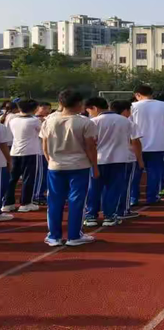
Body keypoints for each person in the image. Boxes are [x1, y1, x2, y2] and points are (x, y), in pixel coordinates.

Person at [40, 90, 99, 246]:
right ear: (80, 104)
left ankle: (54, 236)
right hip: (79, 166)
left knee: (54, 201)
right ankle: (74, 236)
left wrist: (50, 160)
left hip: (55, 166)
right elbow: (90, 147)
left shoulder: (49, 121)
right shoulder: (85, 122)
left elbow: (44, 145)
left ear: (60, 103)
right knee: (77, 201)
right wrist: (95, 166)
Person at [84, 97, 141, 227]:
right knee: (113, 189)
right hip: (119, 159)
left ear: (95, 108)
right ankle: (109, 216)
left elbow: (89, 143)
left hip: (97, 159)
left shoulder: (93, 122)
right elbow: (134, 141)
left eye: (89, 110)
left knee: (94, 188)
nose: (89, 113)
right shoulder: (126, 121)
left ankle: (91, 215)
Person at [130, 85, 164, 205]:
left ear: (137, 95)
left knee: (135, 173)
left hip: (137, 144)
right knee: (155, 172)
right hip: (158, 144)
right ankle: (152, 196)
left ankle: (133, 198)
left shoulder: (133, 106)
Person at [1, 99, 42, 213]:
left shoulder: (13, 120)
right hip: (30, 152)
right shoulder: (35, 121)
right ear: (34, 109)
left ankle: (8, 203)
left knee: (12, 178)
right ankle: (25, 203)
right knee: (29, 178)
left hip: (15, 151)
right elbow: (42, 133)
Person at [109, 99, 146, 218]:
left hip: (104, 158)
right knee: (125, 185)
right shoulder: (128, 123)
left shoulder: (98, 121)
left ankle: (107, 212)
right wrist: (140, 160)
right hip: (125, 158)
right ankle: (123, 210)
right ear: (125, 110)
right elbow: (135, 141)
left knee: (108, 186)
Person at [32, 102, 52, 206]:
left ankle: (40, 194)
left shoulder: (48, 119)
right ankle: (37, 195)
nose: (46, 110)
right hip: (39, 151)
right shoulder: (34, 120)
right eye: (43, 108)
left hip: (45, 150)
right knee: (41, 175)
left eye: (48, 108)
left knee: (45, 174)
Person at [0, 122, 13, 221]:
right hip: (0, 163)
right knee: (2, 187)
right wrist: (9, 160)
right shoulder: (1, 127)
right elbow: (3, 146)